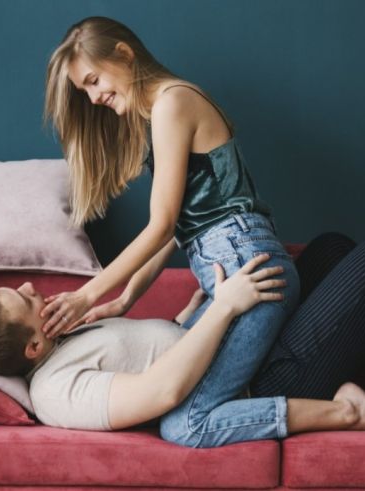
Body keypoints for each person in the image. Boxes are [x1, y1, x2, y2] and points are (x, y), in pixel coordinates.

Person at [40, 15, 301, 446]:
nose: (94, 97)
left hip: (243, 265)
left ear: (123, 54)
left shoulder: (172, 103)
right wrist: (125, 299)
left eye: (93, 80)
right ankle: (334, 396)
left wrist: (88, 293)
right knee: (171, 385)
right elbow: (181, 229)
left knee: (184, 423)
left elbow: (160, 227)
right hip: (231, 260)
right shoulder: (164, 108)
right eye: (84, 91)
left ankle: (345, 412)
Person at [0, 234, 365, 447]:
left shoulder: (66, 339)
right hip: (256, 381)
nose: (27, 287)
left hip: (236, 352)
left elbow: (155, 352)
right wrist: (228, 307)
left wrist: (191, 315)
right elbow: (162, 393)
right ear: (31, 348)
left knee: (331, 251)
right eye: (22, 300)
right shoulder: (55, 392)